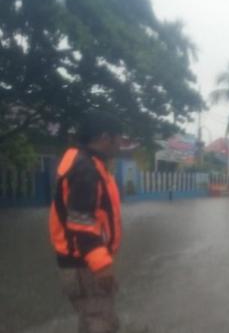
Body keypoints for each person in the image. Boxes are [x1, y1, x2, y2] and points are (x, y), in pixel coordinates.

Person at [49, 111, 123, 333]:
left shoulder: (87, 162)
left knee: (96, 318)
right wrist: (101, 267)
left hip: (81, 261)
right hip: (85, 264)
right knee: (100, 322)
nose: (120, 144)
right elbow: (81, 221)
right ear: (104, 137)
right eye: (117, 138)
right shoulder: (85, 169)